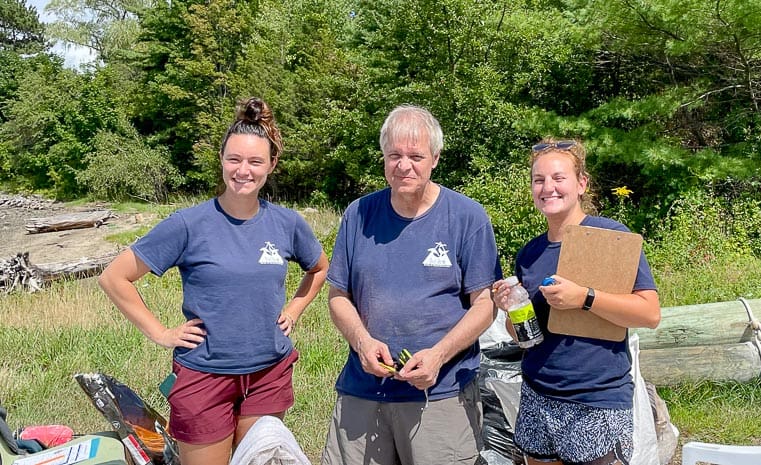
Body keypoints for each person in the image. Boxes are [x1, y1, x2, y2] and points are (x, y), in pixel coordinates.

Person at [98, 97, 329, 465]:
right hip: (205, 374)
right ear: (221, 160)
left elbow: (319, 268)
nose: (243, 170)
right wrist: (161, 333)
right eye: (234, 159)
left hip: (268, 372)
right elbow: (114, 278)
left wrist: (296, 307)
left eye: (255, 161)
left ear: (271, 165)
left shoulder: (287, 224)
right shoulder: (188, 224)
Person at [321, 104, 502, 465]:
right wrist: (362, 341)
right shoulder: (359, 214)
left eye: (416, 156)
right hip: (364, 389)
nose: (404, 165)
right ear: (384, 158)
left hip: (441, 393)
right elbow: (338, 296)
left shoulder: (467, 217)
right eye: (395, 155)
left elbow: (485, 304)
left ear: (435, 158)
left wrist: (438, 355)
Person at [491, 138, 661, 465]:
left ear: (581, 184)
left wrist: (584, 297)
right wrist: (511, 309)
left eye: (558, 178)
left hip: (596, 401)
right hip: (538, 396)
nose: (547, 188)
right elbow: (525, 338)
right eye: (539, 180)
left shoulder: (610, 236)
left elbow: (649, 313)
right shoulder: (530, 253)